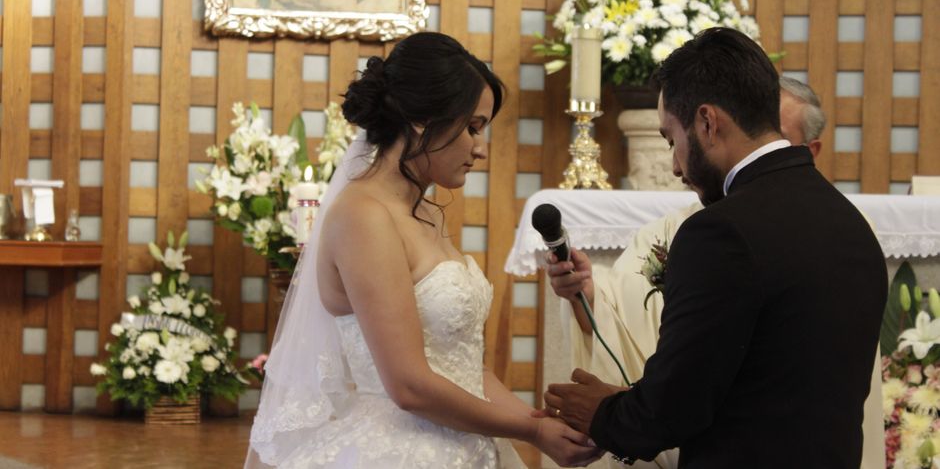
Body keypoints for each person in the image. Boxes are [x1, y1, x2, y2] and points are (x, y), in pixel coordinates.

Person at [244, 32, 602, 468]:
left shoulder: (425, 212)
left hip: (463, 443)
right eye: (472, 127)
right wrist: (530, 431)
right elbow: (409, 385)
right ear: (420, 118)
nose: (481, 148)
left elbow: (466, 370)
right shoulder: (363, 216)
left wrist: (542, 424)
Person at [542, 27, 887, 468]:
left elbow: (672, 410)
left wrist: (601, 413)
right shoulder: (850, 222)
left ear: (707, 122)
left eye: (671, 139)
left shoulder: (721, 233)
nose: (674, 165)